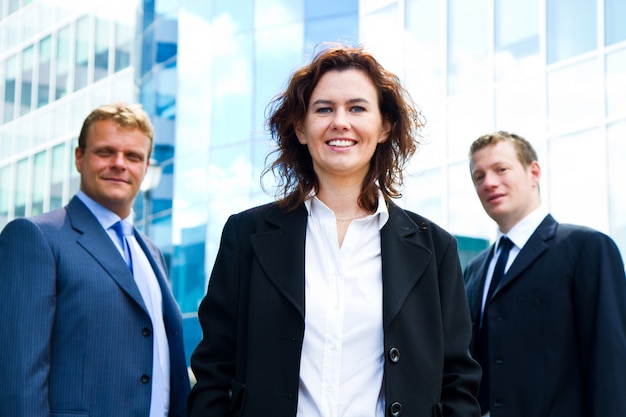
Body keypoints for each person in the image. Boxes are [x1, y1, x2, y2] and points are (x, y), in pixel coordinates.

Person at [187, 45, 481, 417]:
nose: (340, 122)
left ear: (384, 127)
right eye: (324, 109)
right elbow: (214, 371)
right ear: (301, 128)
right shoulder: (246, 235)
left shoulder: (435, 248)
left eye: (357, 108)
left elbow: (457, 380)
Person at [0, 102, 190, 417]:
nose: (119, 164)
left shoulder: (151, 252)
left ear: (145, 167)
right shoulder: (35, 237)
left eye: (133, 156)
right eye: (105, 152)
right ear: (79, 158)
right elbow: (18, 372)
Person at [464, 130, 626, 417]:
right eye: (479, 176)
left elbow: (610, 364)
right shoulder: (473, 271)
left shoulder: (586, 248)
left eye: (501, 169)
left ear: (533, 172)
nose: (489, 182)